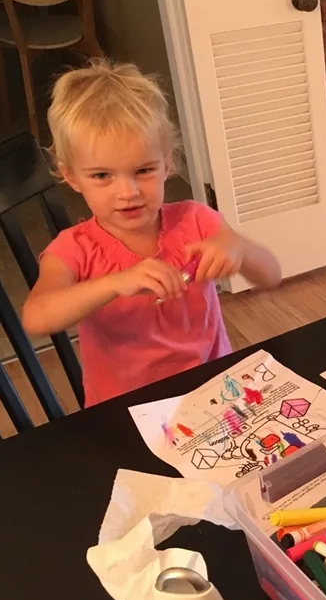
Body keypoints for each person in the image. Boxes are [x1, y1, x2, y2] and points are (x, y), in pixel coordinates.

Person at [22, 60, 282, 406]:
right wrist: (113, 283)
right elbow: (36, 317)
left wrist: (239, 249)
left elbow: (271, 277)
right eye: (102, 176)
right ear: (71, 177)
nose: (128, 192)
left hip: (217, 391)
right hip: (128, 408)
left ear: (167, 163)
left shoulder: (197, 220)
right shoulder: (74, 249)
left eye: (143, 170)